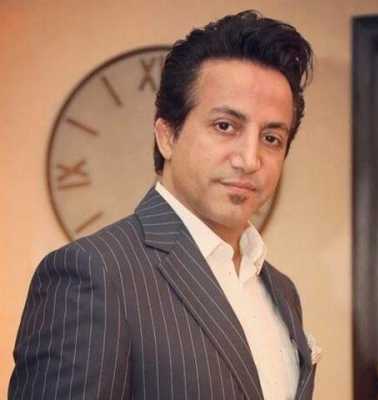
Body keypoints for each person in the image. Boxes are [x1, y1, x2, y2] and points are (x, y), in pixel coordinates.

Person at [9, 10, 315, 400]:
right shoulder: (94, 273)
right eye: (225, 126)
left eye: (271, 138)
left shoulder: (283, 292)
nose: (249, 159)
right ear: (167, 136)